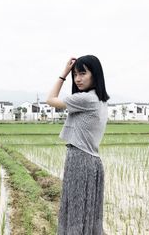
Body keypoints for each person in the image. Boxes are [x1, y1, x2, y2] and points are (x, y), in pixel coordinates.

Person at [46, 55, 109, 235]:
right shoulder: (100, 99)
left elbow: (50, 99)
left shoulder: (86, 99)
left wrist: (64, 73)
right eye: (75, 74)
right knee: (88, 216)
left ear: (95, 75)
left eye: (83, 73)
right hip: (93, 162)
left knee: (75, 214)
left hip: (80, 161)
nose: (78, 79)